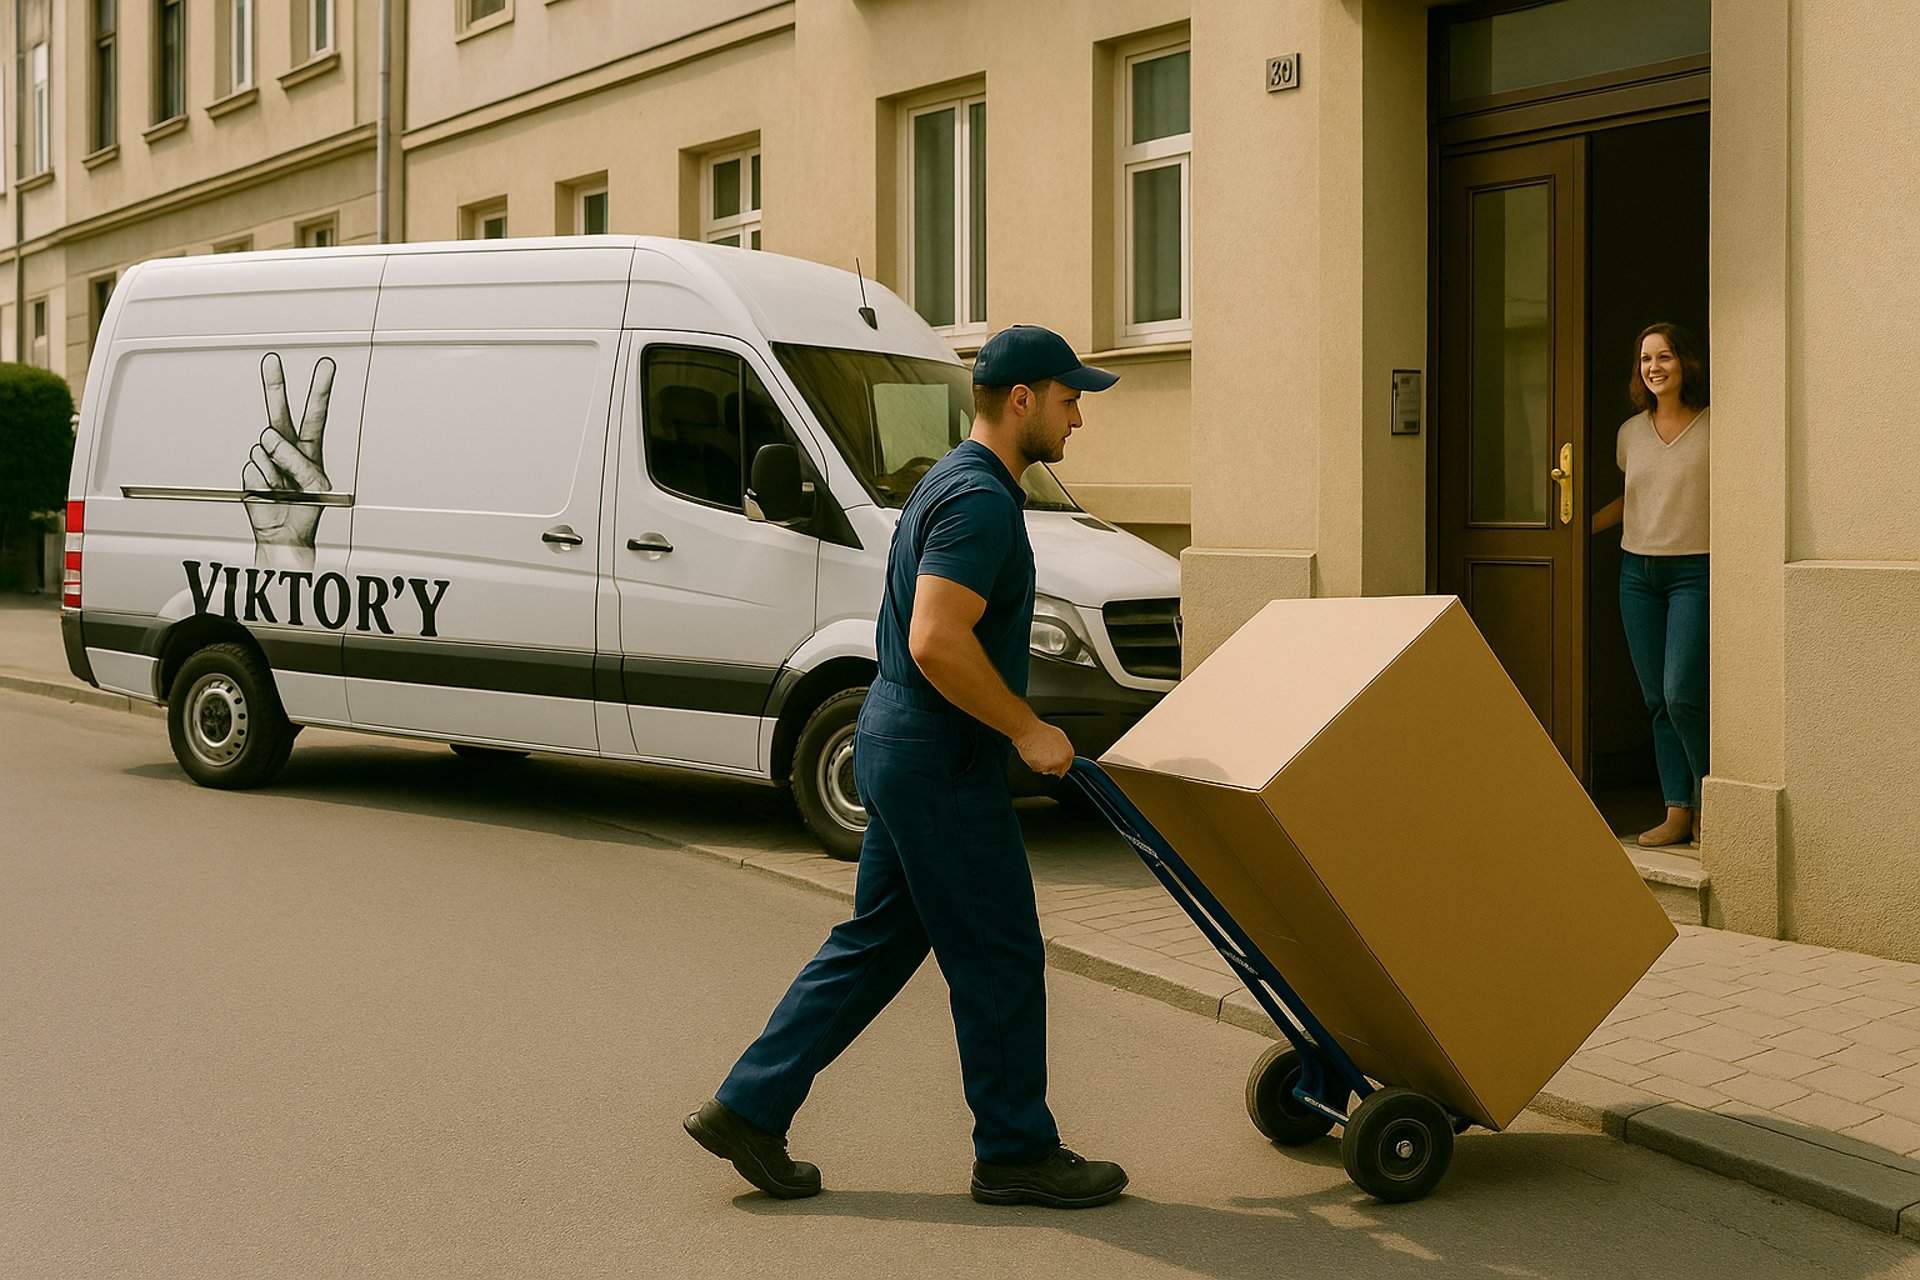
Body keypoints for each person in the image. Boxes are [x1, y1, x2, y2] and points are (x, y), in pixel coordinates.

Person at [684, 325, 1130, 1209]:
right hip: (941, 756)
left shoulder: (944, 479)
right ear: (1022, 401)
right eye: (1071, 399)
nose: (1080, 418)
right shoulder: (981, 502)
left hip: (900, 742)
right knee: (1001, 956)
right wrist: (1026, 728)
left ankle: (749, 1105)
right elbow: (935, 638)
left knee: (880, 941)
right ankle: (1014, 1152)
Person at [1592, 323, 1710, 848]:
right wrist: (1574, 530)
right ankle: (1677, 811)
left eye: (1664, 357)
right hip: (1636, 574)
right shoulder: (1629, 433)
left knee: (1681, 693)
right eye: (1645, 359)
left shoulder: (1714, 427)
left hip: (1694, 572)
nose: (1654, 367)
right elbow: (1634, 498)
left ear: (1684, 363)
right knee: (1655, 699)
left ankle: (1715, 801)